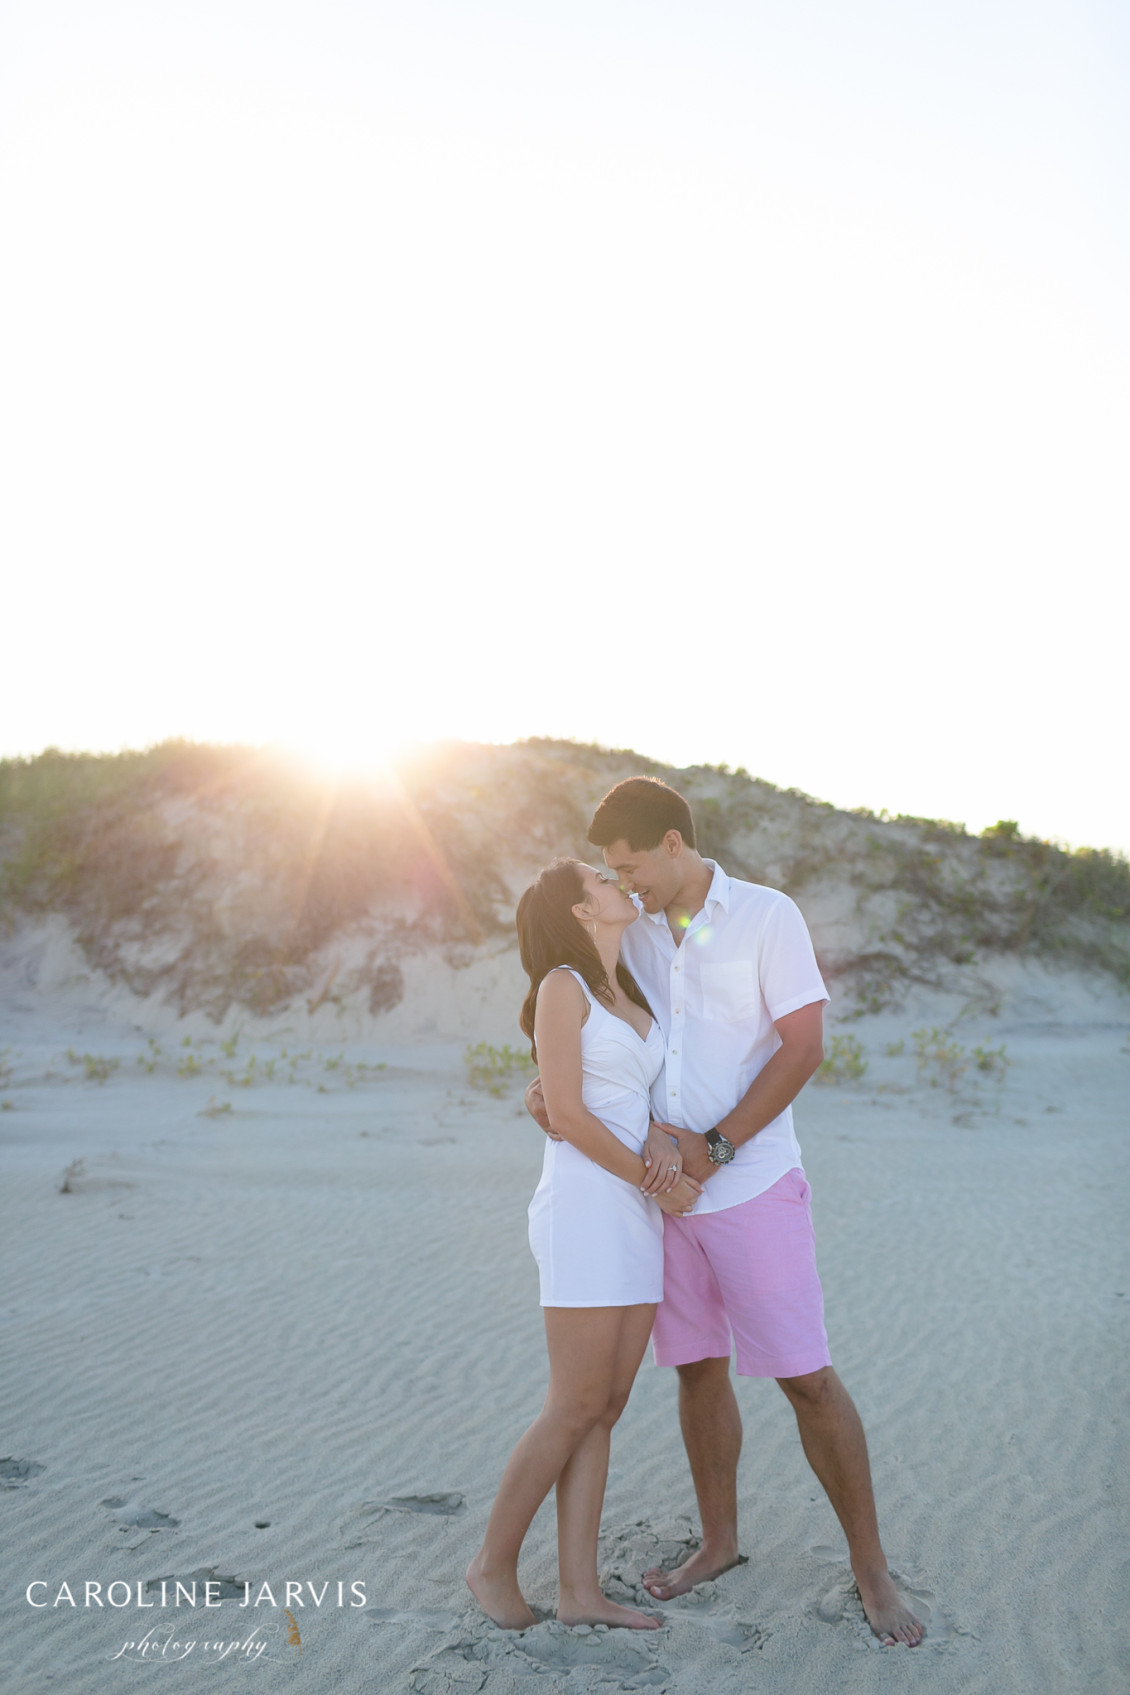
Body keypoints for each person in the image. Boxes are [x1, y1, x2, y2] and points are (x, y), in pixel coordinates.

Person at [525, 778, 925, 1649]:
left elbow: (805, 1043)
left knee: (806, 1376)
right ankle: (720, 1540)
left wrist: (719, 1145)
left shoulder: (767, 915)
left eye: (631, 865)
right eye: (611, 873)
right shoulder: (630, 929)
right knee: (697, 1367)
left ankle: (870, 1565)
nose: (623, 884)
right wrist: (546, 1086)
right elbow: (598, 1024)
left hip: (750, 1185)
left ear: (674, 843)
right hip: (661, 1198)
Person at [466, 857, 703, 1633]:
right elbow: (564, 1110)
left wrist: (664, 1144)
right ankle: (492, 1564)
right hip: (585, 1207)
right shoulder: (562, 987)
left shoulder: (623, 989)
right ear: (579, 908)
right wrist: (651, 1174)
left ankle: (579, 1591)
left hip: (634, 1209)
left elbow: (638, 1097)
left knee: (605, 1406)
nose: (619, 882)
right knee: (571, 1404)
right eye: (603, 878)